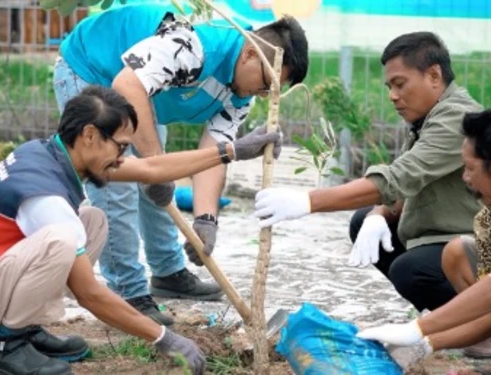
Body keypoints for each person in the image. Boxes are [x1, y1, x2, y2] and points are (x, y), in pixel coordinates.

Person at [0, 86, 282, 375]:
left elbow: (150, 169)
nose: (122, 157)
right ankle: (7, 347)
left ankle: (25, 329)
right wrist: (162, 337)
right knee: (63, 239)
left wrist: (231, 151)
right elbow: (90, 295)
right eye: (121, 146)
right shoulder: (46, 198)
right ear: (89, 135)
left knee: (92, 220)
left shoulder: (46, 153)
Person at [53, 3, 309, 326]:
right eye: (265, 84)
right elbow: (127, 85)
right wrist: (155, 165)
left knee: (160, 175)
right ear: (249, 55)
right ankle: (127, 295)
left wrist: (206, 219)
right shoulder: (195, 47)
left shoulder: (241, 92)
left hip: (143, 89)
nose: (262, 95)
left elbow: (215, 153)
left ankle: (168, 271)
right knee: (118, 182)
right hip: (92, 69)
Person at [252, 32, 491, 356]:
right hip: (443, 235)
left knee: (411, 269)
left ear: (434, 75)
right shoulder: (429, 117)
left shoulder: (457, 119)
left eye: (400, 84)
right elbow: (410, 184)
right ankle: (451, 317)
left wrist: (308, 201)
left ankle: (486, 329)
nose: (394, 96)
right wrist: (378, 214)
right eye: (389, 88)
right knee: (363, 221)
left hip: (476, 244)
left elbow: (399, 177)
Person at [356, 108, 491, 375]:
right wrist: (424, 344)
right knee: (458, 253)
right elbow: (488, 307)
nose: (465, 178)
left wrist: (417, 329)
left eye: (470, 168)